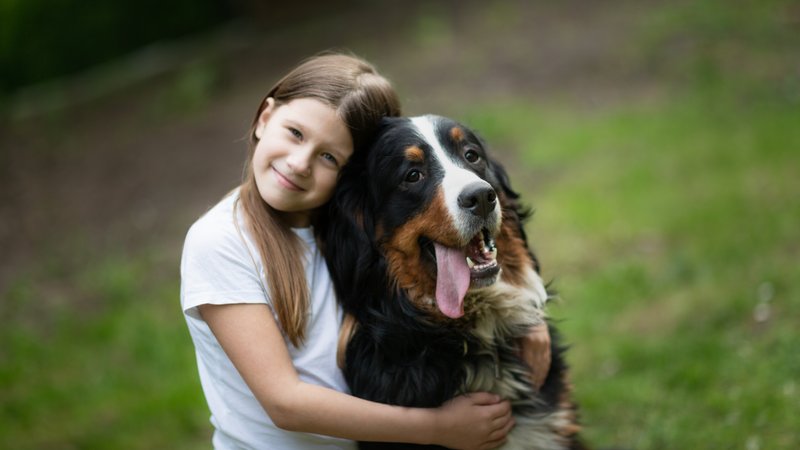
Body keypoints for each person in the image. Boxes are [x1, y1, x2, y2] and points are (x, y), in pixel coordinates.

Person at [180, 52, 550, 450]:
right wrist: (439, 428)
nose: (300, 163)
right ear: (264, 117)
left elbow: (505, 244)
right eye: (295, 132)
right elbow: (285, 403)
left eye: (328, 156)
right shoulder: (219, 241)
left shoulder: (335, 221)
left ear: (347, 172)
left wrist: (530, 318)